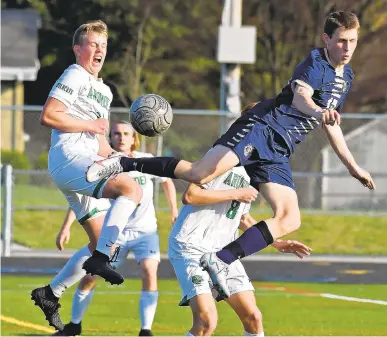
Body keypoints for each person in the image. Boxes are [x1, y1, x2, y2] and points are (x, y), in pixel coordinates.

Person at [85, 12, 375, 295]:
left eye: (352, 41)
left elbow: (332, 126)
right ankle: (122, 161)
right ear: (327, 38)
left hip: (279, 149)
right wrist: (318, 111)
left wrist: (353, 167)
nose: (347, 48)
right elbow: (302, 97)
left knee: (290, 219)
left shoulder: (346, 76)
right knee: (200, 173)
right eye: (341, 41)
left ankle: (220, 260)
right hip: (262, 127)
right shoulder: (316, 62)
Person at [31, 20, 143, 331]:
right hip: (70, 159)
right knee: (131, 191)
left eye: (103, 46)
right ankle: (99, 260)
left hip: (86, 161)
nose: (98, 50)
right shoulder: (74, 74)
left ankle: (50, 293)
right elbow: (49, 116)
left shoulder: (103, 90)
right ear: (78, 49)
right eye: (92, 44)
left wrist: (117, 156)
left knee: (103, 245)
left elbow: (102, 140)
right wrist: (89, 127)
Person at [168, 112, 312, 335]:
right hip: (191, 245)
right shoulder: (219, 158)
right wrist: (236, 192)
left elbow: (242, 217)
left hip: (223, 253)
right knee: (206, 322)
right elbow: (190, 196)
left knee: (253, 318)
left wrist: (277, 243)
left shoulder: (258, 169)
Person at [54, 121, 178, 337]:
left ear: (133, 138)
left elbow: (167, 181)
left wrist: (173, 209)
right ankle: (74, 325)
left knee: (149, 271)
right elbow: (83, 199)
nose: (121, 137)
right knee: (90, 276)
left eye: (125, 134)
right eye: (116, 134)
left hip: (145, 232)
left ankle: (145, 330)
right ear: (110, 137)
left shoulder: (145, 161)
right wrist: (66, 227)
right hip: (113, 234)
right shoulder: (101, 165)